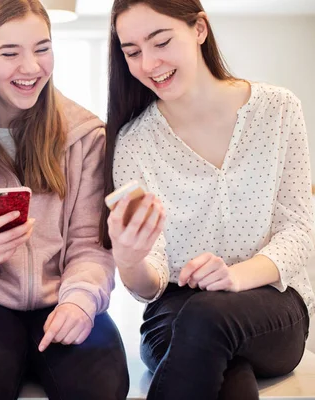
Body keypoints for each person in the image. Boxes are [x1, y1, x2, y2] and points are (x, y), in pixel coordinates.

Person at [101, 0, 313, 399]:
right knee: (223, 366)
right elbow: (152, 278)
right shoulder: (134, 142)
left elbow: (300, 231)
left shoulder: (278, 110)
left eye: (160, 42)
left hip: (272, 303)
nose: (148, 64)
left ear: (199, 29)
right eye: (132, 52)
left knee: (206, 317)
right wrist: (128, 260)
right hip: (176, 313)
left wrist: (234, 277)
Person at [0, 0, 129, 399]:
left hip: (67, 298)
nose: (32, 67)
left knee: (102, 390)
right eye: (9, 53)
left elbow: (91, 246)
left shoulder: (86, 137)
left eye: (42, 48)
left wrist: (81, 302)